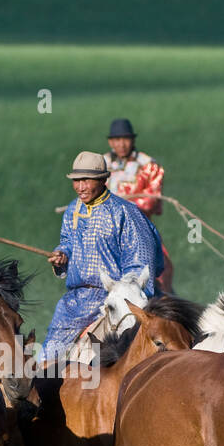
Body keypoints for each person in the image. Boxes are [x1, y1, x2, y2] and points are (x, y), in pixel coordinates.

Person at [43, 151, 160, 363]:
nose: (80, 187)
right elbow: (68, 241)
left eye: (86, 180)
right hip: (76, 302)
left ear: (103, 180)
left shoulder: (125, 212)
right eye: (76, 181)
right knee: (47, 360)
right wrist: (62, 255)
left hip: (118, 298)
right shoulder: (72, 210)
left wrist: (121, 290)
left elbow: (142, 260)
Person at [104, 118, 175, 294]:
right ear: (110, 142)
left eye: (125, 139)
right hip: (106, 231)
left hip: (140, 227)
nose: (121, 144)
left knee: (162, 270)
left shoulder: (149, 165)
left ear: (133, 140)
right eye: (117, 140)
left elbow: (151, 200)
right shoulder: (101, 165)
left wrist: (120, 205)